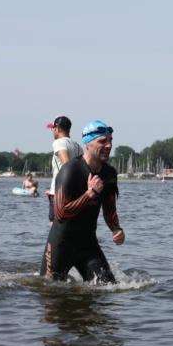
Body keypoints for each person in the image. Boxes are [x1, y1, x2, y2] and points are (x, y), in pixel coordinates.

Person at [41, 120, 125, 284]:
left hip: (88, 244)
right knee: (48, 291)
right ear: (88, 144)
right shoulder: (70, 171)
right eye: (102, 141)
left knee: (108, 289)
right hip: (61, 244)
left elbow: (109, 209)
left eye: (110, 140)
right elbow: (60, 214)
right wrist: (89, 194)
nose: (108, 145)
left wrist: (116, 228)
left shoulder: (109, 173)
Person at [45, 116, 82, 221]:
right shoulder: (78, 146)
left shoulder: (59, 142)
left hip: (59, 192)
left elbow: (67, 165)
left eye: (53, 129)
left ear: (58, 129)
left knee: (55, 226)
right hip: (74, 193)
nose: (53, 131)